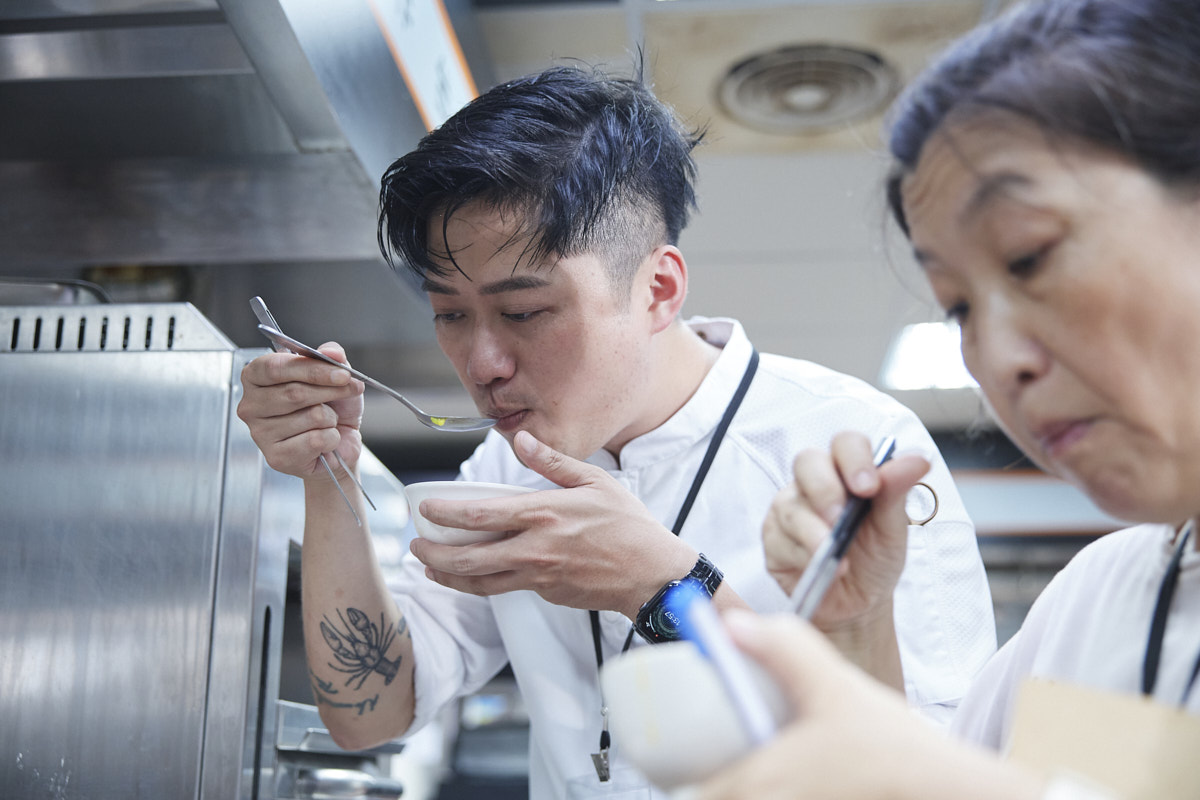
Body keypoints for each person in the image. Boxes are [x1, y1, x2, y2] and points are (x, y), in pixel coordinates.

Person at [236, 63, 996, 800]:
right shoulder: (504, 470)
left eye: (524, 311)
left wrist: (663, 587)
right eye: (450, 314)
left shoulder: (854, 448)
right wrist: (327, 472)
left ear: (658, 289)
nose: (483, 362)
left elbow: (932, 775)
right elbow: (370, 711)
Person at [694, 0, 1200, 797]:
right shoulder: (1098, 600)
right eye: (958, 307)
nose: (995, 359)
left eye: (1030, 256)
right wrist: (857, 624)